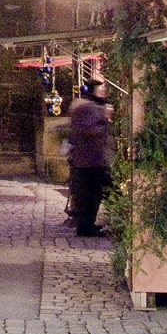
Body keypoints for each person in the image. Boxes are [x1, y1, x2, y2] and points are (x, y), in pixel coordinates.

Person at [67, 78, 113, 238]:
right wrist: (105, 119)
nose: (103, 92)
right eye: (100, 89)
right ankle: (86, 227)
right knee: (92, 195)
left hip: (91, 159)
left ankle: (87, 225)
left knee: (93, 194)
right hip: (91, 160)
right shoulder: (87, 108)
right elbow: (90, 131)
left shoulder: (87, 107)